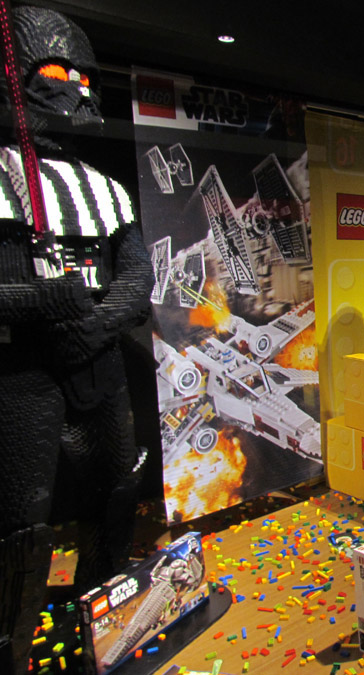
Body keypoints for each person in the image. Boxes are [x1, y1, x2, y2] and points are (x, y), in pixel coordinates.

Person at [0, 7, 153, 672]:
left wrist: (96, 319)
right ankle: (11, 645)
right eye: (60, 74)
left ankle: (105, 613)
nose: (78, 90)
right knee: (20, 521)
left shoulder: (107, 191)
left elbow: (138, 276)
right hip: (23, 374)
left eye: (86, 78)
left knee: (117, 491)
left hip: (99, 363)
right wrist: (46, 300)